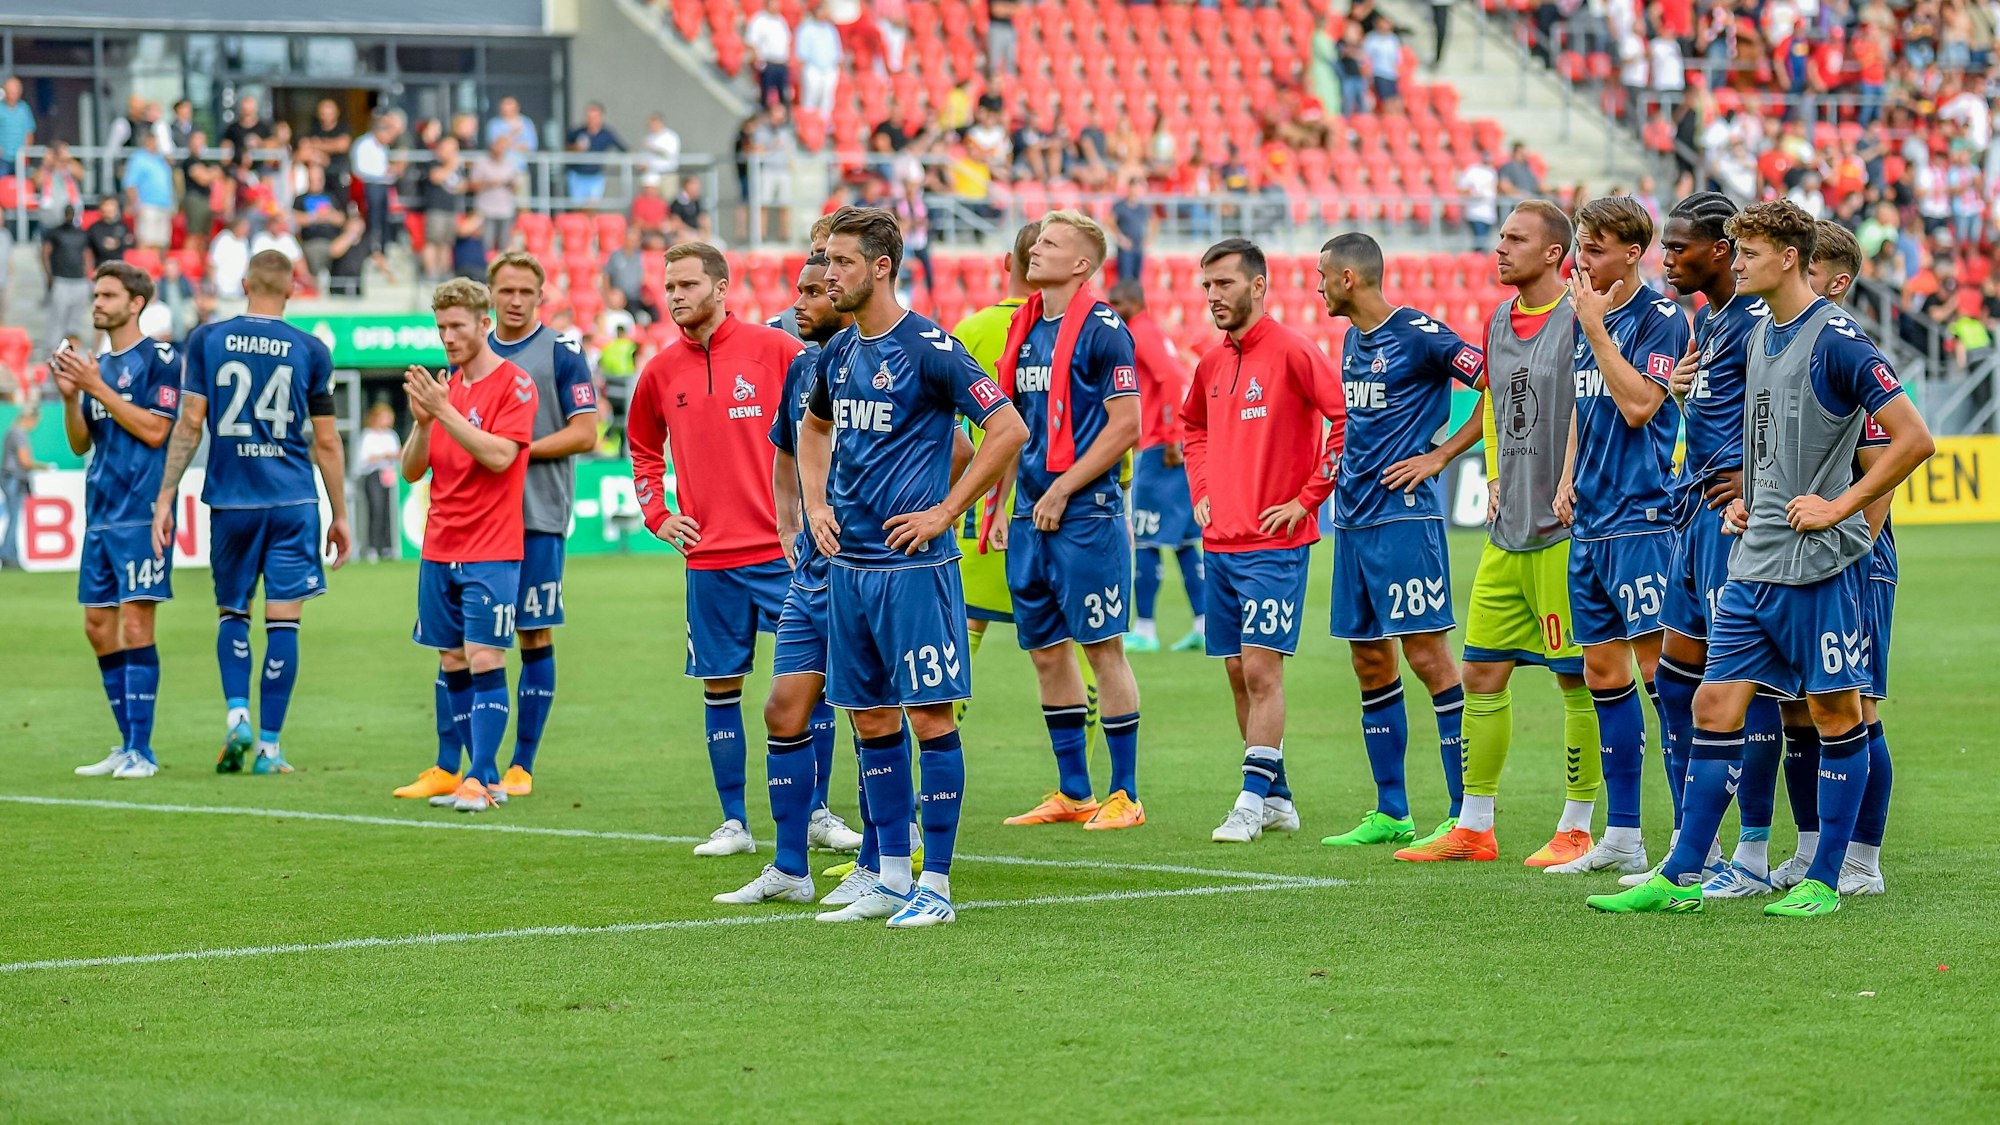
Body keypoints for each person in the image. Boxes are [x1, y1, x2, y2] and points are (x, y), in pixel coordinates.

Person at [1585, 200, 1934, 918]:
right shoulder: (1755, 336)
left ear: (1787, 258)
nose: (1734, 262)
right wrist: (1748, 493)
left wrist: (1838, 507)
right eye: (1734, 251)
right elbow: (1762, 433)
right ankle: (1683, 872)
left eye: (1746, 253)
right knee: (1715, 702)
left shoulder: (1838, 338)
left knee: (1837, 712)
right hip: (1755, 555)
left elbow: (1912, 439)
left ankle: (1828, 876)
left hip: (1820, 563)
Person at [797, 206, 1027, 926]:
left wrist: (946, 510)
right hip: (850, 569)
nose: (827, 273)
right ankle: (891, 875)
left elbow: (1008, 428)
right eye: (825, 261)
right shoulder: (838, 354)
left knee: (929, 717)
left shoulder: (931, 347)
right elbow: (813, 427)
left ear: (881, 266)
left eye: (839, 261)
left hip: (914, 571)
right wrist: (814, 503)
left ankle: (939, 884)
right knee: (868, 720)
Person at [1398, 200, 1606, 865]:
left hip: (1562, 532)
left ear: (1554, 253)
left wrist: (1572, 477)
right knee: (1481, 671)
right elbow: (1490, 401)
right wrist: (1489, 473)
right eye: (1500, 237)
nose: (1500, 247)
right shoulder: (1495, 319)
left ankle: (1578, 826)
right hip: (1507, 527)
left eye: (1515, 239)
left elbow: (1593, 407)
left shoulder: (1580, 317)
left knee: (1578, 678)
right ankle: (1475, 824)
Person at [627, 242, 804, 856]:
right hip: (709, 562)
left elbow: (824, 428)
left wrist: (815, 513)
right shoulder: (658, 371)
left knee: (808, 684)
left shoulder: (776, 351)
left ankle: (813, 813)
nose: (675, 295)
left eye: (687, 284)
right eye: (669, 286)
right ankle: (734, 822)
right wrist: (658, 515)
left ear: (721, 286)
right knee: (719, 687)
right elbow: (643, 450)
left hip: (786, 555)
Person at [1311, 233, 1484, 852]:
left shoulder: (1418, 332)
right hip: (1353, 520)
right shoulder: (1352, 340)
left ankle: (1468, 814)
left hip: (1404, 520)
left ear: (1349, 279)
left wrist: (1439, 455)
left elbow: (1495, 380)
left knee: (1428, 658)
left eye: (1323, 275)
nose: (1319, 285)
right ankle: (1392, 810)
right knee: (1368, 659)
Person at [152, 250, 352, 776]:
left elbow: (190, 425)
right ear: (292, 290)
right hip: (292, 500)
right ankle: (268, 748)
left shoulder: (207, 340)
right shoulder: (312, 350)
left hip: (232, 500)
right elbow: (327, 444)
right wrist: (340, 513)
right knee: (284, 621)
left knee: (233, 612)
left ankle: (237, 715)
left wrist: (166, 495)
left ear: (243, 284)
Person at [714, 251, 870, 908]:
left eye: (815, 291)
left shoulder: (894, 358)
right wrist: (790, 527)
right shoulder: (805, 367)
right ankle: (790, 866)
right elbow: (786, 450)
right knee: (784, 708)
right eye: (800, 290)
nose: (801, 302)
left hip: (872, 569)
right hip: (809, 570)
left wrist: (928, 514)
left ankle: (891, 857)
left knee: (876, 713)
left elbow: (955, 448)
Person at [1543, 196, 1691, 875]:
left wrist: (1598, 330)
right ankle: (1624, 834)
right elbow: (1586, 402)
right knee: (1603, 674)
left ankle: (1694, 840)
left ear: (1633, 252)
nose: (1583, 259)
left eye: (1595, 248)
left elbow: (1638, 406)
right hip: (1593, 521)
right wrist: (1568, 474)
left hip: (1643, 519)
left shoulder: (1661, 318)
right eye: (1581, 244)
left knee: (1665, 678)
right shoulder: (1589, 316)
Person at [1186, 239, 1348, 844]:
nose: (1213, 297)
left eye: (1224, 284)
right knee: (1235, 669)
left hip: (1276, 544)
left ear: (1257, 287)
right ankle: (1277, 797)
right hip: (1221, 540)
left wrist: (1308, 499)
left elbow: (1343, 420)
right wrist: (1201, 488)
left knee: (1260, 670)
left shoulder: (1293, 351)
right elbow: (1192, 426)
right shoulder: (1210, 362)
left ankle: (1250, 802)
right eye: (1207, 287)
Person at [991, 212, 1146, 831]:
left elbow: (1127, 425)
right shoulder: (1025, 328)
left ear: (1081, 264)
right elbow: (1013, 423)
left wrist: (1062, 487)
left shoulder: (1104, 329)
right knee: (1046, 652)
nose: (1037, 249)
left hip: (1085, 511)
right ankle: (1074, 790)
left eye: (1052, 244)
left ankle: (1126, 794)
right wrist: (1004, 503)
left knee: (1102, 649)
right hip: (1030, 512)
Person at [1651, 192, 1784, 897]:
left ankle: (1752, 852)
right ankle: (1688, 837)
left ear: (1722, 250)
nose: (1667, 260)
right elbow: (1717, 410)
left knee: (1743, 681)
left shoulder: (1760, 320)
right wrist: (1682, 396)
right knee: (1675, 679)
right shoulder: (1712, 319)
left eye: (1680, 248)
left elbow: (1786, 413)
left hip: (1732, 520)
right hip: (1693, 512)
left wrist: (1755, 485)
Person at [948, 221, 1105, 774]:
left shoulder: (971, 329)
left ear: (1003, 262)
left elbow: (945, 425)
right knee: (1080, 645)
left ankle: (932, 763)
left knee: (961, 635)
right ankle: (1077, 777)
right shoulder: (1073, 325)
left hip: (982, 511)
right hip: (1068, 509)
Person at [397, 279, 537, 813]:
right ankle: (480, 776)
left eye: (458, 326)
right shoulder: (444, 390)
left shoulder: (514, 385)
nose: (448, 337)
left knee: (484, 657)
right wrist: (422, 423)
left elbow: (501, 457)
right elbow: (413, 470)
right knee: (452, 660)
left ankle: (481, 776)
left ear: (484, 324)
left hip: (492, 547)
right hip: (438, 546)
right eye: (441, 328)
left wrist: (445, 412)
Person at [1788, 220, 1896, 897]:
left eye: (1808, 273)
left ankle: (1862, 859)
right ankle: (1808, 851)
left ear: (1834, 281)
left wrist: (1850, 546)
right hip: (1805, 553)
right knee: (1800, 706)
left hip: (1856, 555)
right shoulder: (1793, 347)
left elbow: (1881, 474)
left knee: (1858, 706)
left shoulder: (1851, 350)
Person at [56, 264, 178, 780]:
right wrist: (71, 397)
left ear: (136, 303)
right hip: (101, 512)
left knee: (135, 623)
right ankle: (125, 743)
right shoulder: (96, 366)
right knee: (98, 626)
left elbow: (155, 430)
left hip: (142, 511)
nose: (98, 302)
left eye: (109, 294)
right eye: (96, 294)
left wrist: (95, 387)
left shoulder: (161, 360)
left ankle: (143, 752)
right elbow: (82, 443)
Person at [1109, 279, 1204, 654]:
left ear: (1135, 301)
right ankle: (1204, 623)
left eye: (1117, 300)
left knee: (1146, 537)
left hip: (1159, 446)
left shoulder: (1140, 333)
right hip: (1164, 442)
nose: (1113, 307)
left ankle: (1145, 628)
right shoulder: (1149, 331)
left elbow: (1171, 378)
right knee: (1182, 540)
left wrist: (1171, 433)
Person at [351, 111, 406, 276]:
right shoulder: (363, 144)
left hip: (383, 187)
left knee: (384, 221)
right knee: (373, 221)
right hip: (370, 187)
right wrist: (384, 171)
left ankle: (383, 249)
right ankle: (374, 250)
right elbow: (360, 169)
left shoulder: (383, 148)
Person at [39, 207, 93, 358]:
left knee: (75, 321)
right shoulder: (55, 232)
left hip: (79, 280)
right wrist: (49, 276)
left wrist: (88, 275)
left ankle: (72, 354)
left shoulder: (81, 234)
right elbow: (45, 253)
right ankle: (52, 353)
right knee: (57, 320)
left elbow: (86, 254)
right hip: (61, 279)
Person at [2, 403, 48, 569]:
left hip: (8, 477)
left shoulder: (11, 431)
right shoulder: (20, 433)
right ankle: (8, 555)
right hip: (14, 478)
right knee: (14, 518)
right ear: (30, 419)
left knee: (13, 518)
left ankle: (10, 555)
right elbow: (25, 461)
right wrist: (45, 467)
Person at [354, 403, 400, 562]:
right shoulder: (368, 436)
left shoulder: (391, 435)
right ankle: (372, 547)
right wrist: (384, 456)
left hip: (389, 475)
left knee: (389, 510)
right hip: (372, 475)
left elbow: (398, 454)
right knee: (376, 509)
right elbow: (364, 460)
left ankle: (387, 546)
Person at [565, 103, 627, 205]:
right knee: (578, 208)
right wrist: (576, 148)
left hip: (595, 176)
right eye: (589, 117)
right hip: (577, 176)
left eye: (594, 117)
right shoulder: (577, 132)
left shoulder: (606, 134)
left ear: (601, 117)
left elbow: (623, 149)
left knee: (591, 207)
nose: (591, 120)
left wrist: (640, 160)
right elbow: (566, 149)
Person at [122, 133, 175, 252]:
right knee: (146, 240)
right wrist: (134, 204)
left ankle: (157, 269)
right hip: (147, 205)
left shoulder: (161, 160)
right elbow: (131, 184)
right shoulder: (138, 159)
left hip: (163, 206)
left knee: (161, 242)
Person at [797, 4, 844, 114]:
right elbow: (801, 51)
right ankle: (809, 122)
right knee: (810, 97)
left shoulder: (830, 29)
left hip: (829, 68)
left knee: (827, 99)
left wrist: (838, 62)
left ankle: (824, 124)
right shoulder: (806, 28)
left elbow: (837, 48)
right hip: (813, 68)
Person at [746, 0, 794, 107]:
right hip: (767, 64)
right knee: (766, 96)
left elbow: (788, 41)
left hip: (781, 64)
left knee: (783, 96)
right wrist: (757, 62)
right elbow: (752, 42)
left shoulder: (781, 21)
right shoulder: (759, 20)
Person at [1112, 178, 1151, 288]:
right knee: (1125, 280)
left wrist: (1148, 239)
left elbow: (1154, 222)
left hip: (1138, 247)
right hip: (1126, 249)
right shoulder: (1120, 206)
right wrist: (1120, 237)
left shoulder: (1142, 208)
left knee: (1136, 281)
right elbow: (1110, 221)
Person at [84, 197, 134, 266]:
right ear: (101, 208)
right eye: (107, 205)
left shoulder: (122, 226)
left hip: (119, 267)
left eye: (112, 205)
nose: (110, 208)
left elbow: (129, 243)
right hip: (101, 267)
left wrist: (117, 243)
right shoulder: (95, 228)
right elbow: (98, 247)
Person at [0, 76, 34, 166]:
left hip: (20, 156)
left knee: (23, 179)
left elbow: (29, 132)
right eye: (10, 91)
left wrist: (27, 152)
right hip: (2, 158)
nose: (13, 94)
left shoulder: (24, 108)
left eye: (15, 91)